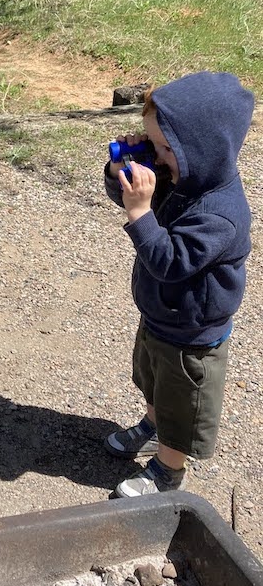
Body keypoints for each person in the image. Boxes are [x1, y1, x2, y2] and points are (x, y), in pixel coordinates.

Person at [104, 71, 253, 498]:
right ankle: (153, 425)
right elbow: (135, 197)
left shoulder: (220, 214)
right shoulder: (184, 178)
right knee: (152, 380)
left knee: (182, 402)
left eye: (166, 148)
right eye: (154, 144)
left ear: (205, 149)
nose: (159, 156)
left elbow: (170, 262)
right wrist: (121, 173)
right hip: (160, 316)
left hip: (193, 335)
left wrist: (139, 212)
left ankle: (169, 470)